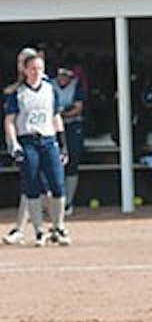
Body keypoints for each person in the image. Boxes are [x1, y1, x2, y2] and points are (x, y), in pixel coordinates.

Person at [4, 53, 70, 247]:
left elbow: (56, 116)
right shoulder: (19, 93)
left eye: (40, 69)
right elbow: (10, 120)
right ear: (25, 70)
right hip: (28, 140)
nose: (37, 73)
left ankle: (58, 227)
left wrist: (62, 143)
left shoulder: (50, 90)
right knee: (32, 186)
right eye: (33, 69)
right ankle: (39, 230)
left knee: (57, 184)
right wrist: (14, 144)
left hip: (48, 140)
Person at [54, 66, 86, 215]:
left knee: (72, 163)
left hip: (72, 126)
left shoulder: (76, 85)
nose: (63, 78)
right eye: (61, 75)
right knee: (54, 164)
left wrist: (63, 114)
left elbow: (78, 108)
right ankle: (54, 201)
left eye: (67, 75)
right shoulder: (50, 85)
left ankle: (68, 202)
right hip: (54, 128)